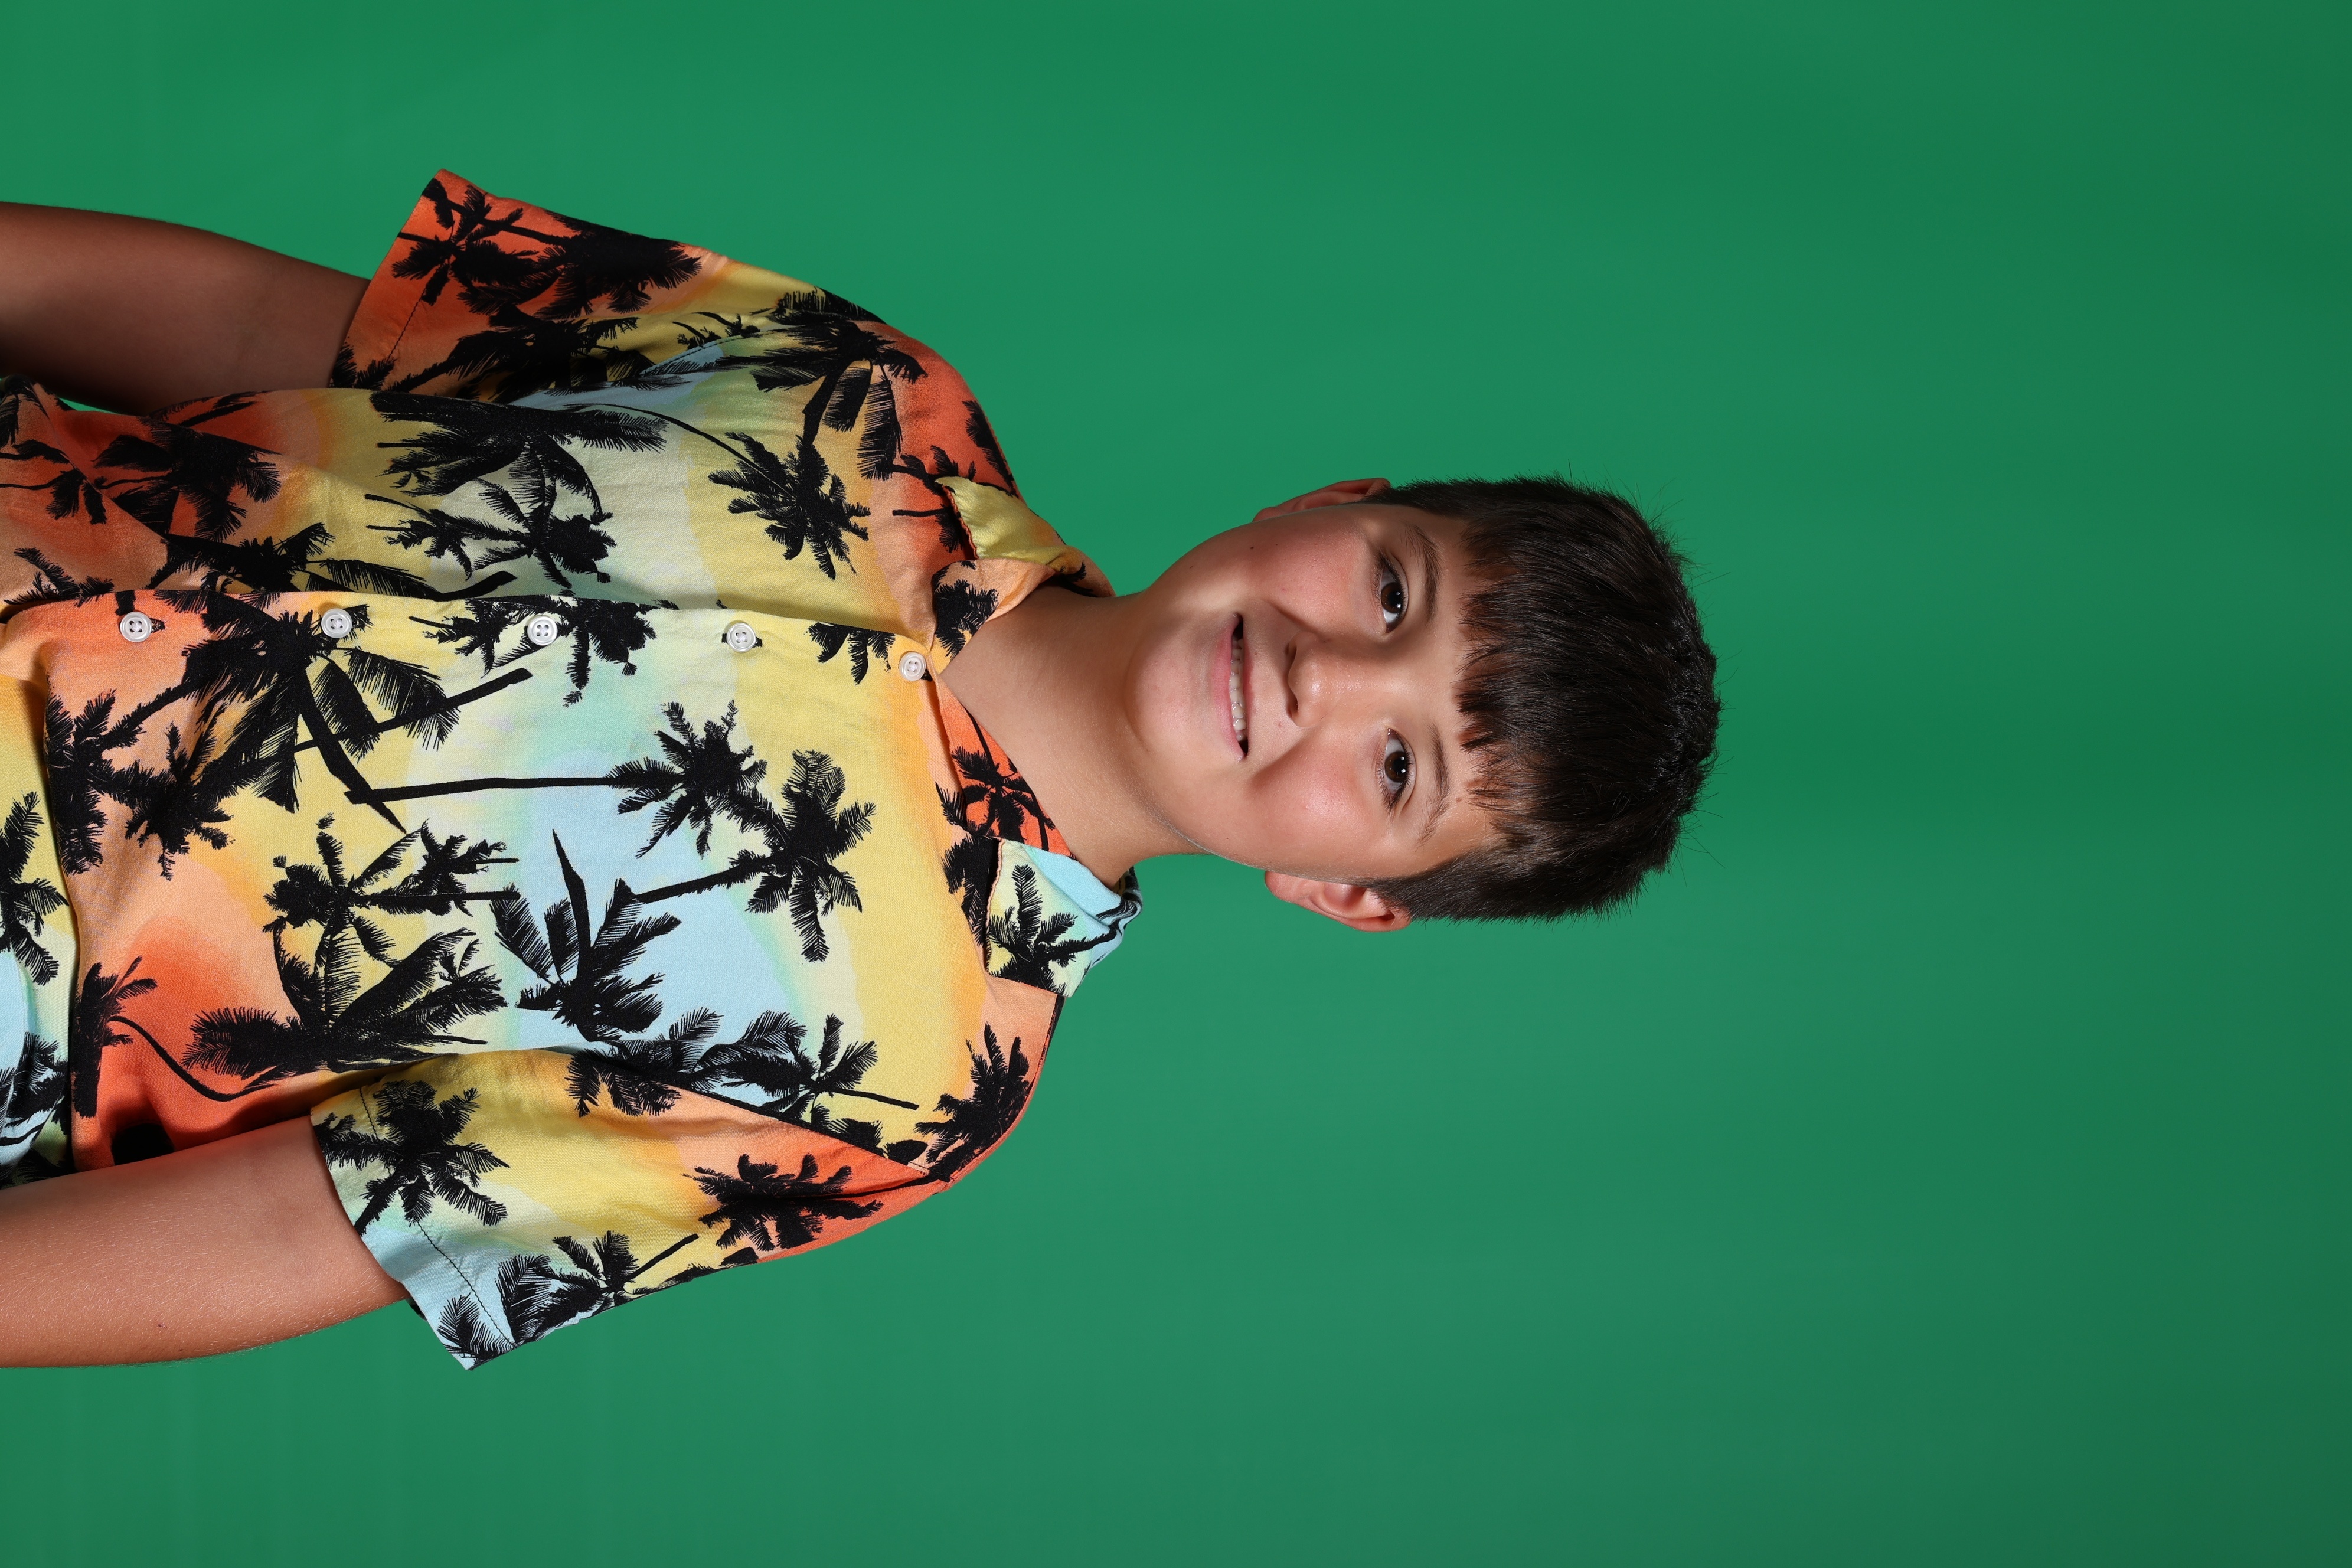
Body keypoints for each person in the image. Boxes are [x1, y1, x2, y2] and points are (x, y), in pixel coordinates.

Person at [0, 175, 1719, 1367]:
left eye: (1401, 766)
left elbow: (306, 1225)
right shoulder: (868, 394)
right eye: (1393, 593)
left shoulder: (910, 1087)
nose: (1324, 677)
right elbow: (272, 330)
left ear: (1348, 893)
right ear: (1335, 500)